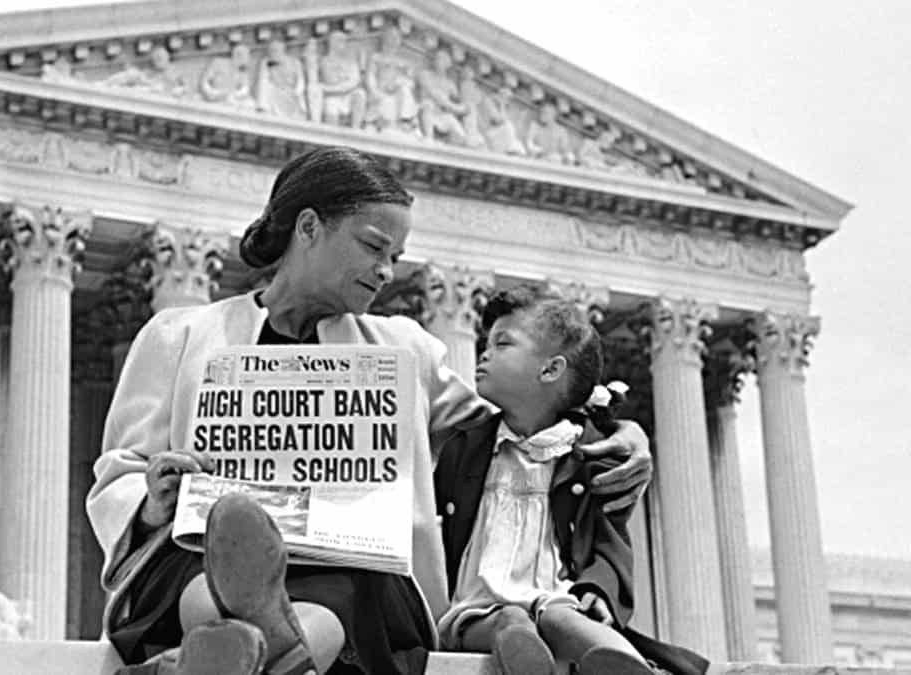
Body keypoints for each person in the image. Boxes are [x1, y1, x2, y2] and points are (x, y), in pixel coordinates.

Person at [87, 146, 654, 674]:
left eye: (395, 256)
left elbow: (515, 423)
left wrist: (616, 429)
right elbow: (120, 471)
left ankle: (243, 644)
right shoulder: (180, 335)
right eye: (372, 246)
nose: (387, 270)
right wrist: (153, 500)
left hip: (355, 569)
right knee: (212, 562)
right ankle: (263, 636)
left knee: (344, 582)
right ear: (308, 227)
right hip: (204, 551)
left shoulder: (405, 350)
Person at [434, 288, 708, 675]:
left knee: (566, 621)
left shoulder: (587, 456)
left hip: (555, 596)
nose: (484, 351)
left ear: (550, 370)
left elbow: (608, 540)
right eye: (486, 341)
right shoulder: (463, 446)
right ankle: (523, 654)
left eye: (503, 343)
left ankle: (632, 666)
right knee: (504, 622)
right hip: (477, 604)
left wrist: (599, 591)